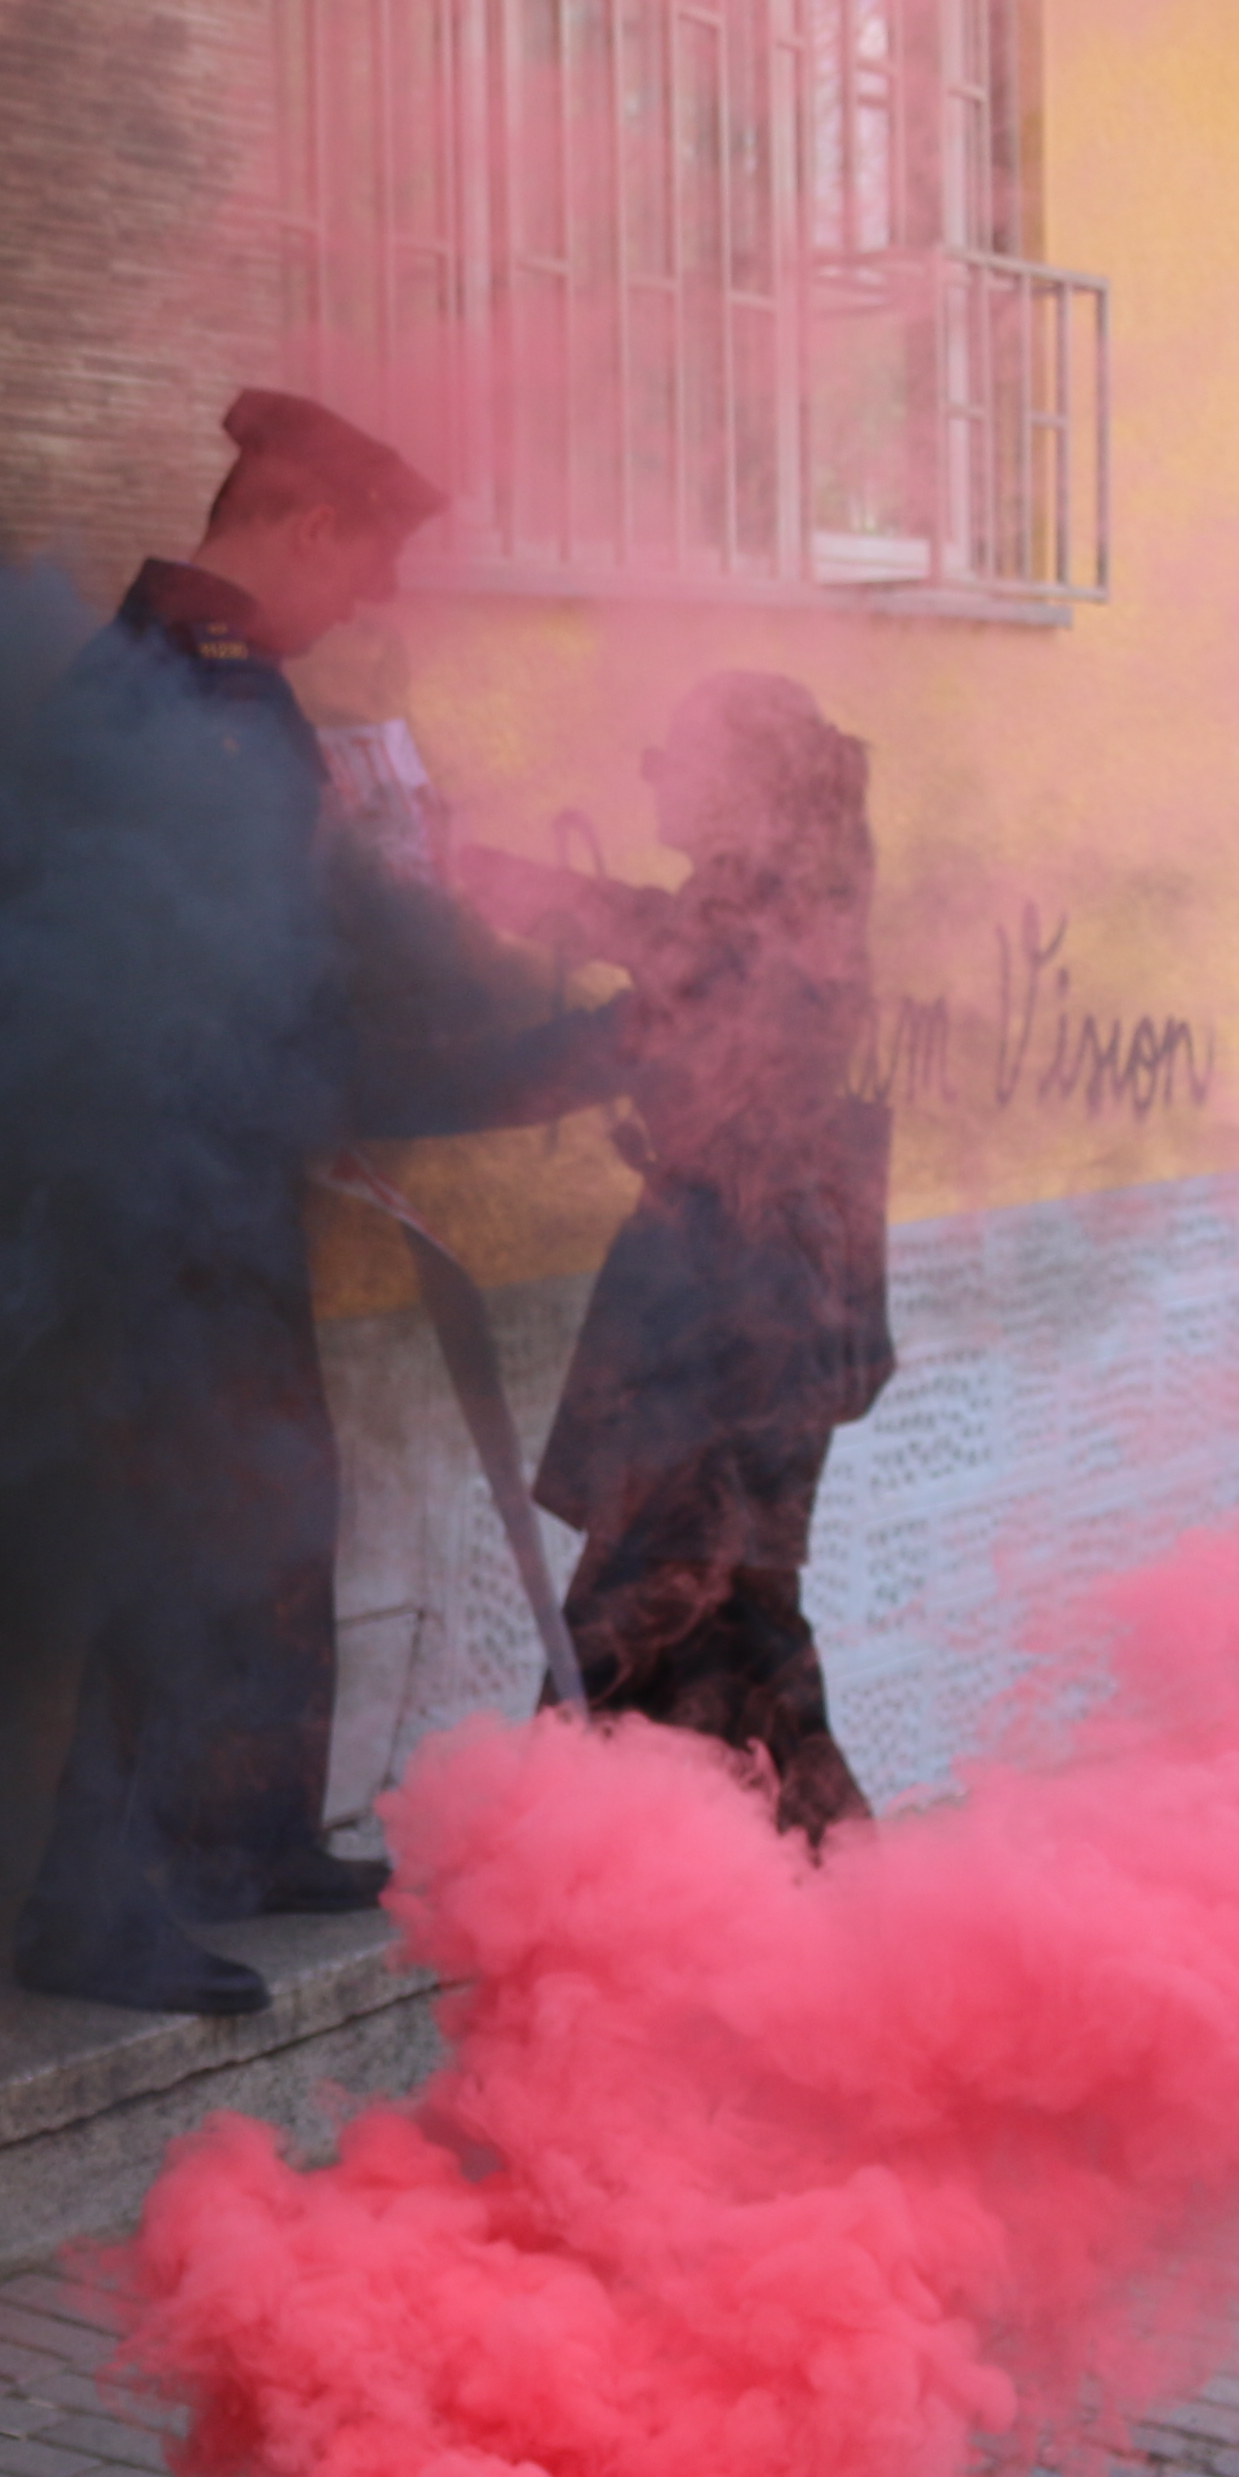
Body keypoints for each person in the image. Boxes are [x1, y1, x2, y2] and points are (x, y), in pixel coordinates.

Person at [15, 387, 491, 2021]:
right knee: (179, 1533)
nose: (366, 606)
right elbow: (168, 980)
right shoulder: (170, 700)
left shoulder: (232, 693)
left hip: (227, 1174)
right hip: (156, 1190)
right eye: (360, 568)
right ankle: (93, 1909)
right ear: (301, 526)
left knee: (279, 1510)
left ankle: (246, 1835)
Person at [456, 674, 895, 1842]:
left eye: (675, 757)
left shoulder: (763, 920)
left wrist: (373, 1085)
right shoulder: (779, 900)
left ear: (739, 789)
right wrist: (465, 869)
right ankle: (844, 1917)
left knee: (636, 1630)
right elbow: (637, 931)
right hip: (759, 1312)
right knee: (733, 1633)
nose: (655, 776)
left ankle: (580, 1881)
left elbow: (622, 1012)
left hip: (733, 1323)